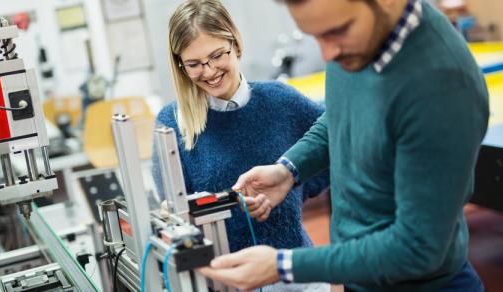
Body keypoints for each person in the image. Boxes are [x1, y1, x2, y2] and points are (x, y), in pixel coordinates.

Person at [198, 0, 489, 291]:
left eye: (337, 31)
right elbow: (341, 114)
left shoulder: (441, 86)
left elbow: (417, 248)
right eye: (317, 36)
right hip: (363, 277)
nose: (328, 53)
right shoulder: (356, 43)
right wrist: (288, 170)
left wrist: (283, 266)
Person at [152, 0, 329, 290]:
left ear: (234, 43)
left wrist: (290, 185)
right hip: (225, 282)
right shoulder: (173, 123)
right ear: (180, 65)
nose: (208, 72)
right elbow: (175, 216)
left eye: (216, 55)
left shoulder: (282, 101)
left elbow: (333, 147)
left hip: (295, 277)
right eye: (194, 64)